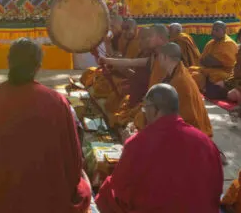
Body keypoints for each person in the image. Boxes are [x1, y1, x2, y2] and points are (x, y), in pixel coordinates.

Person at [0, 39, 91, 213]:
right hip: (48, 200)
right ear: (38, 66)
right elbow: (72, 160)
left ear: (9, 62)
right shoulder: (57, 102)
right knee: (84, 184)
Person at [95, 84, 224, 213]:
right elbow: (216, 189)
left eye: (145, 109)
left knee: (107, 192)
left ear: (155, 110)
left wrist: (128, 146)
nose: (144, 114)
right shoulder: (205, 142)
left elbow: (120, 188)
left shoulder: (137, 143)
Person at [137, 43, 211, 137]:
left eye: (159, 56)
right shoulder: (175, 72)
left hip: (189, 133)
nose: (158, 60)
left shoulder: (180, 81)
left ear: (165, 57)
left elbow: (180, 116)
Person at [190, 21, 238, 96]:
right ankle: (205, 88)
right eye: (212, 30)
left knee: (216, 76)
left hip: (224, 72)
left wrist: (212, 61)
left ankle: (209, 89)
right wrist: (212, 61)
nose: (213, 32)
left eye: (216, 30)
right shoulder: (210, 43)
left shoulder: (229, 43)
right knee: (190, 71)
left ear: (224, 31)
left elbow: (227, 63)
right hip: (208, 70)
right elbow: (202, 60)